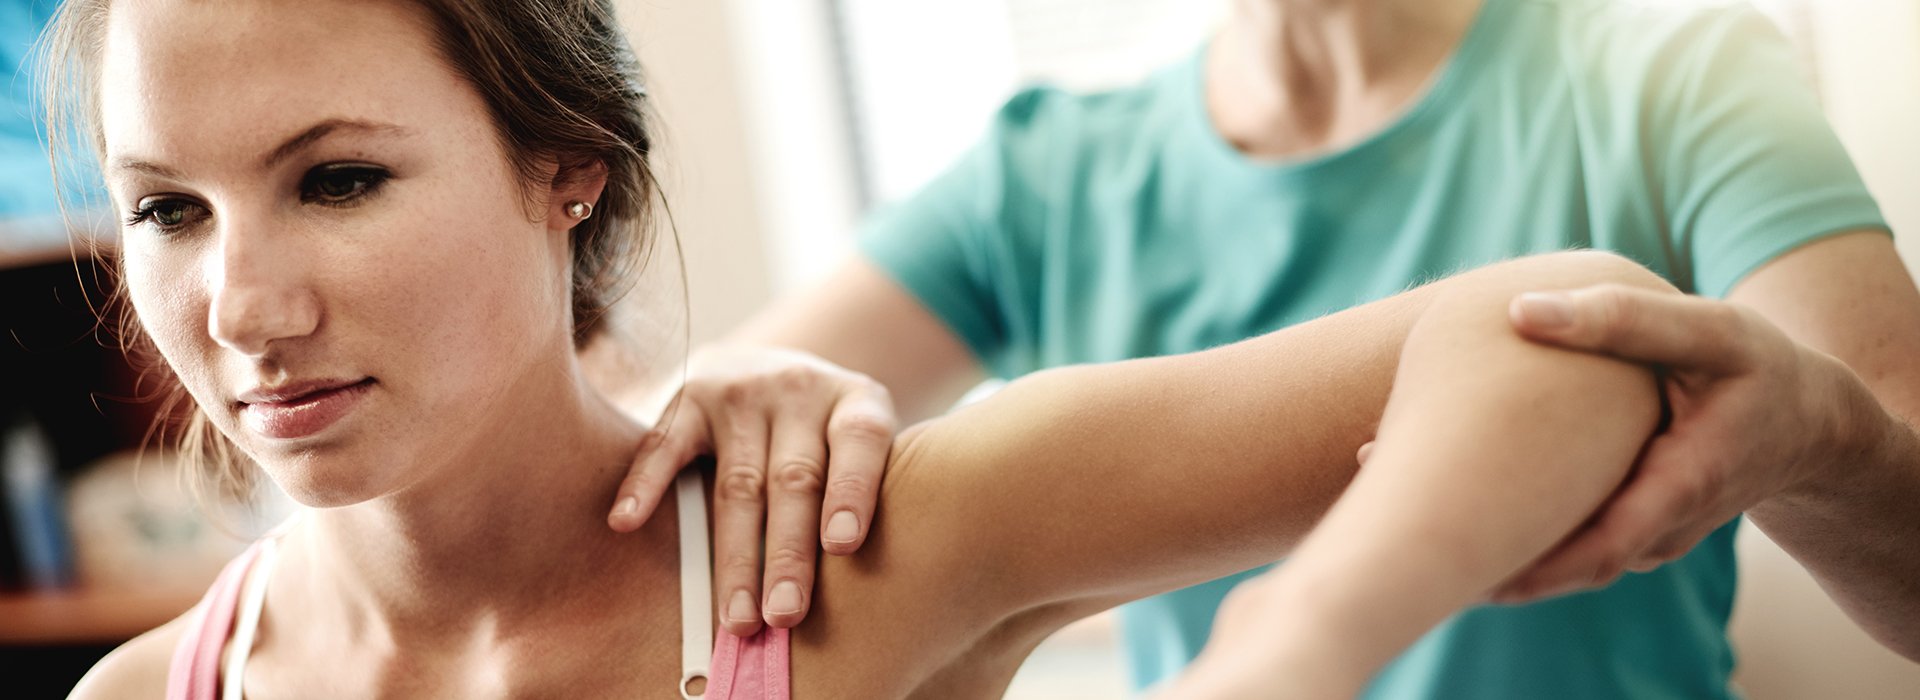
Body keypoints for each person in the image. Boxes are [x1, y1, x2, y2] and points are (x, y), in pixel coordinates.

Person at [44, 0, 1823, 697]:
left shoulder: (847, 554)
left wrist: (1286, 654)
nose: (241, 307)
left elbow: (1567, 329)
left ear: (564, 168)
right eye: (166, 208)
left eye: (337, 180)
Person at [601, 0, 1920, 695]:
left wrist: (1823, 430)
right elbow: (648, 463)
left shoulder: (1672, 77)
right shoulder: (1051, 172)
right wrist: (726, 385)